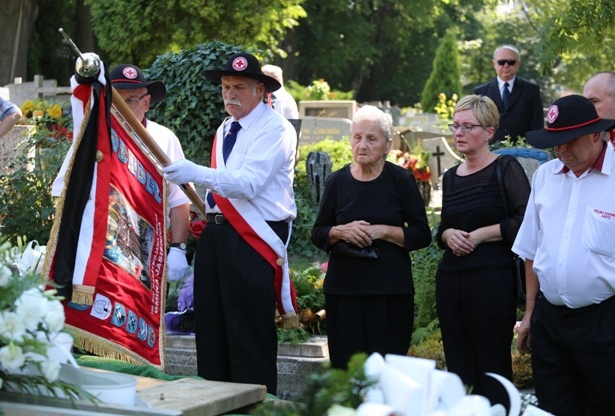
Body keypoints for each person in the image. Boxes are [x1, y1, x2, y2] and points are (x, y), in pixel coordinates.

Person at [163, 52, 298, 395]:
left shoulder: (276, 129)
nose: (229, 93)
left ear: (260, 90)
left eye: (239, 86)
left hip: (253, 238)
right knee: (212, 329)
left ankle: (255, 405)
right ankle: (213, 401)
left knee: (248, 334)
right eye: (225, 86)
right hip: (218, 235)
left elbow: (248, 183)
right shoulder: (226, 127)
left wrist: (196, 173)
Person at [513, 94, 615, 416]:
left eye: (569, 141)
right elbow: (531, 250)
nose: (561, 150)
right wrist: (530, 314)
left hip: (607, 322)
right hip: (551, 321)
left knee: (612, 408)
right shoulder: (545, 176)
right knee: (554, 408)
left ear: (597, 134)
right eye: (555, 143)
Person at [310, 105, 432, 370]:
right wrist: (340, 231)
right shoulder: (337, 182)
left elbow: (422, 234)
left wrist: (382, 231)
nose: (362, 145)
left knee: (387, 372)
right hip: (344, 292)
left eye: (371, 139)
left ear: (388, 145)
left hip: (390, 292)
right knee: (346, 371)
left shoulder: (401, 180)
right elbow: (318, 232)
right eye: (357, 137)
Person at [435, 95, 530, 394]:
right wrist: (448, 235)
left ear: (489, 131)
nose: (458, 133)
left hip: (491, 281)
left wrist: (480, 234)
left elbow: (526, 222)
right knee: (459, 368)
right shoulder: (450, 177)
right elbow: (443, 227)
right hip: (451, 280)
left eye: (467, 126)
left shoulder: (506, 168)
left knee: (493, 367)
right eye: (455, 126)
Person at [109, 64, 191, 283]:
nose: (122, 108)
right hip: (105, 245)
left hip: (150, 248)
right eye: (116, 100)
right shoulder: (93, 137)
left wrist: (178, 249)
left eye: (131, 100)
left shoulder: (164, 138)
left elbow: (180, 199)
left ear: (146, 102)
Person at [473, 45, 544, 144]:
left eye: (511, 62)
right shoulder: (480, 92)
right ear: (494, 64)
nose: (506, 65)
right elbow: (477, 125)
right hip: (490, 151)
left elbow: (537, 126)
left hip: (524, 152)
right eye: (501, 62)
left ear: (518, 64)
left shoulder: (532, 90)